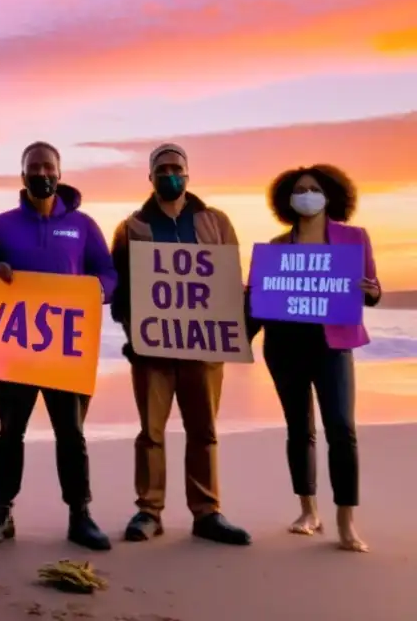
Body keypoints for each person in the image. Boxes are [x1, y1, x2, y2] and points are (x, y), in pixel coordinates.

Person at [0, 141, 118, 551]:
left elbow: (108, 272)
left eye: (48, 167)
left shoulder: (84, 225)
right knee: (9, 431)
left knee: (71, 433)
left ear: (60, 172)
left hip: (65, 353)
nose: (42, 174)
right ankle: (2, 513)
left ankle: (80, 515)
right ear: (23, 176)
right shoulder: (2, 225)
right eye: (33, 168)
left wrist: (98, 289)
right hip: (12, 350)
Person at [109, 144, 251, 546]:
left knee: (203, 429)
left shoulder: (215, 221)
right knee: (150, 432)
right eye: (162, 169)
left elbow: (229, 283)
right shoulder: (131, 226)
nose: (170, 174)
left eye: (177, 168)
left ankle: (207, 512)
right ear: (150, 177)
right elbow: (120, 291)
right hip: (151, 351)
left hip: (203, 349)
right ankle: (149, 511)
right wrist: (134, 330)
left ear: (188, 175)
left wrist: (237, 324)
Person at [248, 165, 379, 553]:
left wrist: (371, 291)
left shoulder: (353, 239)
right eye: (299, 190)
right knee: (298, 429)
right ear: (286, 200)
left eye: (314, 189)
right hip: (284, 347)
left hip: (333, 344)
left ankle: (346, 520)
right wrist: (237, 327)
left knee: (341, 428)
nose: (307, 195)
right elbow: (255, 306)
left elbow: (371, 291)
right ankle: (308, 512)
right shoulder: (275, 248)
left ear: (331, 195)